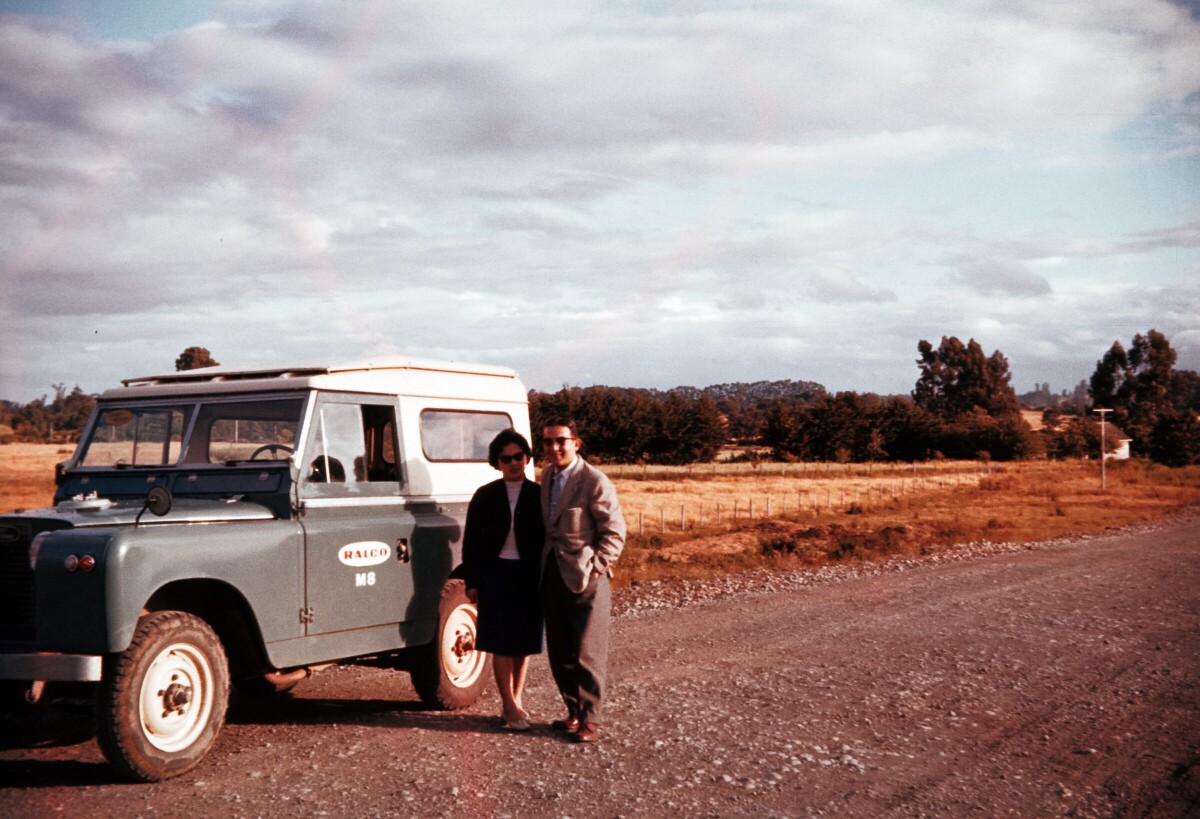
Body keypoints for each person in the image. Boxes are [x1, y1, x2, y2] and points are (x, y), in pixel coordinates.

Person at [540, 418, 626, 743]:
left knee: (587, 650)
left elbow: (615, 533)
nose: (554, 448)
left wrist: (597, 567)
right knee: (559, 649)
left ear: (577, 443)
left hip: (586, 577)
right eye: (547, 442)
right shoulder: (547, 476)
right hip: (552, 574)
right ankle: (573, 711)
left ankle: (591, 719)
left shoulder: (594, 481)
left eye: (560, 440)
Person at [462, 429, 545, 731]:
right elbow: (470, 542)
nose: (513, 463)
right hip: (495, 574)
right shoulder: (485, 496)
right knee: (500, 642)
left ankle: (516, 699)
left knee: (523, 643)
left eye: (518, 457)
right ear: (497, 463)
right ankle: (509, 707)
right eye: (506, 458)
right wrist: (472, 581)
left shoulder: (539, 495)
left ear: (526, 458)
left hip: (528, 576)